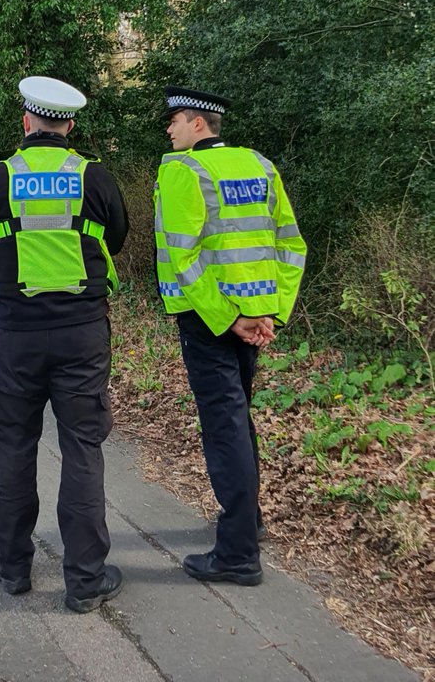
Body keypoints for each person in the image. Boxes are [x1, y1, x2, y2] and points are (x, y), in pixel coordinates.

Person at [0, 76, 129, 613]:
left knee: (14, 445)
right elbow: (118, 239)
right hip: (82, 333)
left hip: (16, 333)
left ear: (27, 123)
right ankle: (84, 580)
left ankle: (13, 567)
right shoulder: (94, 178)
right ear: (70, 126)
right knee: (82, 447)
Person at [154, 86, 306, 586]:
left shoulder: (182, 171)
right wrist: (272, 314)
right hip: (254, 314)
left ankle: (237, 555)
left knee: (224, 427)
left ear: (198, 123)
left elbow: (186, 257)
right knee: (238, 416)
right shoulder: (261, 165)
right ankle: (251, 521)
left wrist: (224, 319)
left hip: (209, 319)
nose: (169, 129)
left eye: (174, 119)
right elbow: (290, 243)